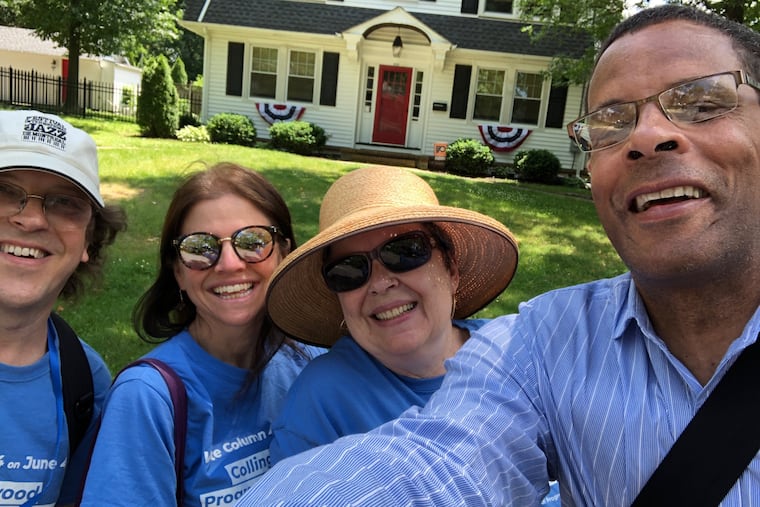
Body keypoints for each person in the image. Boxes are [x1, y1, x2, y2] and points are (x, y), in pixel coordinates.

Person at [234, 4, 760, 506]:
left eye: (701, 103)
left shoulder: (503, 343)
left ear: (451, 264)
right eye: (612, 120)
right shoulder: (538, 351)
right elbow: (438, 467)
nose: (647, 136)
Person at [79, 162, 322, 506]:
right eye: (200, 248)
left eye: (253, 240)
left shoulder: (313, 363)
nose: (229, 264)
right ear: (177, 272)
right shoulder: (147, 398)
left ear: (284, 252)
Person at [0, 110, 126, 505]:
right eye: (4, 190)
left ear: (89, 241)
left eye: (64, 203)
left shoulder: (85, 380)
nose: (32, 218)